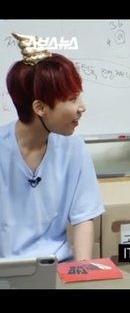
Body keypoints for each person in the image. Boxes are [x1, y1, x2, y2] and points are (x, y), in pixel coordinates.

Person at [0, 33, 104, 261]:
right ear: (40, 108)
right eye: (72, 99)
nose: (82, 107)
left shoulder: (74, 149)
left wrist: (82, 270)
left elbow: (83, 218)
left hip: (57, 268)